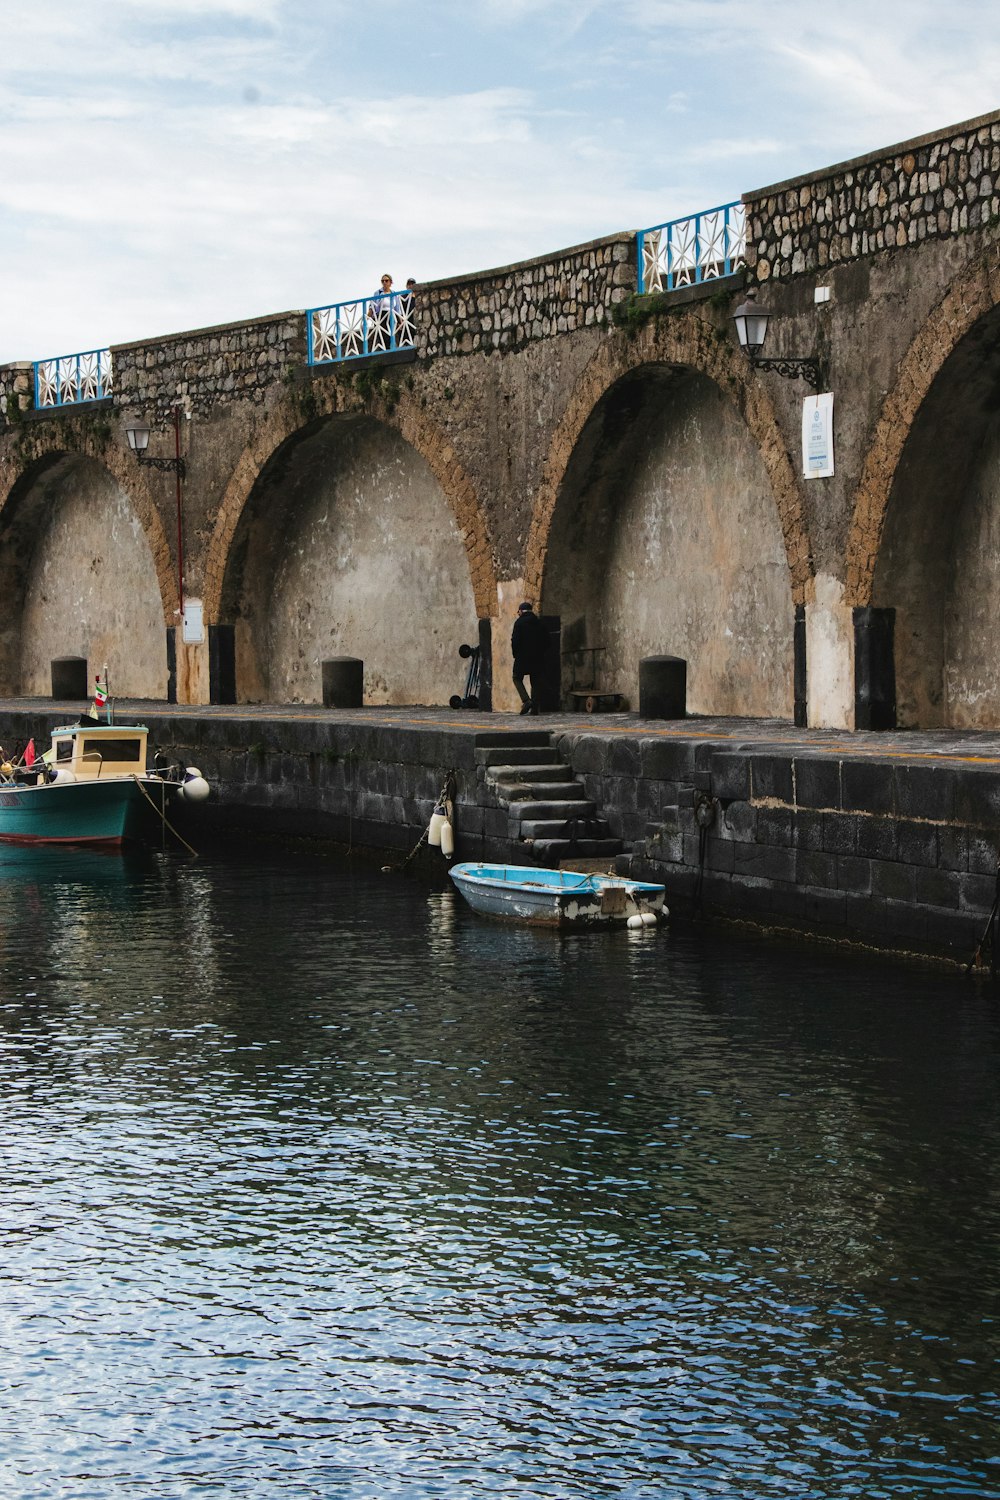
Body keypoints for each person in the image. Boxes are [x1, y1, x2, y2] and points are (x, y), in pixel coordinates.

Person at [511, 601, 548, 715]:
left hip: (522, 657)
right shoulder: (539, 623)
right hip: (538, 657)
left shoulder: (519, 623)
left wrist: (515, 654)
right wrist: (542, 653)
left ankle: (526, 700)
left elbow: (515, 641)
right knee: (536, 681)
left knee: (516, 677)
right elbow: (547, 641)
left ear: (521, 611)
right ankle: (535, 708)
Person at [370, 273, 394, 349]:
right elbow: (372, 305)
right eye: (382, 281)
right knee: (381, 335)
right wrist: (368, 316)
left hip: (391, 315)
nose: (384, 282)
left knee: (390, 335)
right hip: (380, 315)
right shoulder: (378, 293)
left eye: (386, 281)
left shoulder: (393, 293)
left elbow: (397, 308)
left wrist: (401, 320)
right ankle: (384, 350)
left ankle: (389, 349)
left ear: (390, 282)